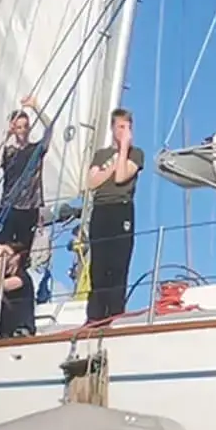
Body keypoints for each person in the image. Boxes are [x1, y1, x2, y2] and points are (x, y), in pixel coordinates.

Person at [82, 107, 141, 322]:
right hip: (101, 209)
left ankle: (115, 314)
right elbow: (91, 182)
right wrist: (112, 166)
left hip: (121, 208)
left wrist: (124, 149)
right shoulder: (101, 155)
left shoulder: (136, 154)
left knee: (118, 264)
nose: (125, 131)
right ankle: (95, 316)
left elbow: (122, 177)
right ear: (113, 129)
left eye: (128, 127)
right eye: (121, 127)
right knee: (98, 264)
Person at [0, 95, 47, 254]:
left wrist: (36, 107)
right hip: (9, 206)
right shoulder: (9, 152)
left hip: (30, 207)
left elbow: (50, 128)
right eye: (19, 127)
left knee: (21, 253)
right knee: (0, 249)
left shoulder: (36, 149)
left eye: (25, 126)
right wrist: (5, 136)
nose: (23, 130)